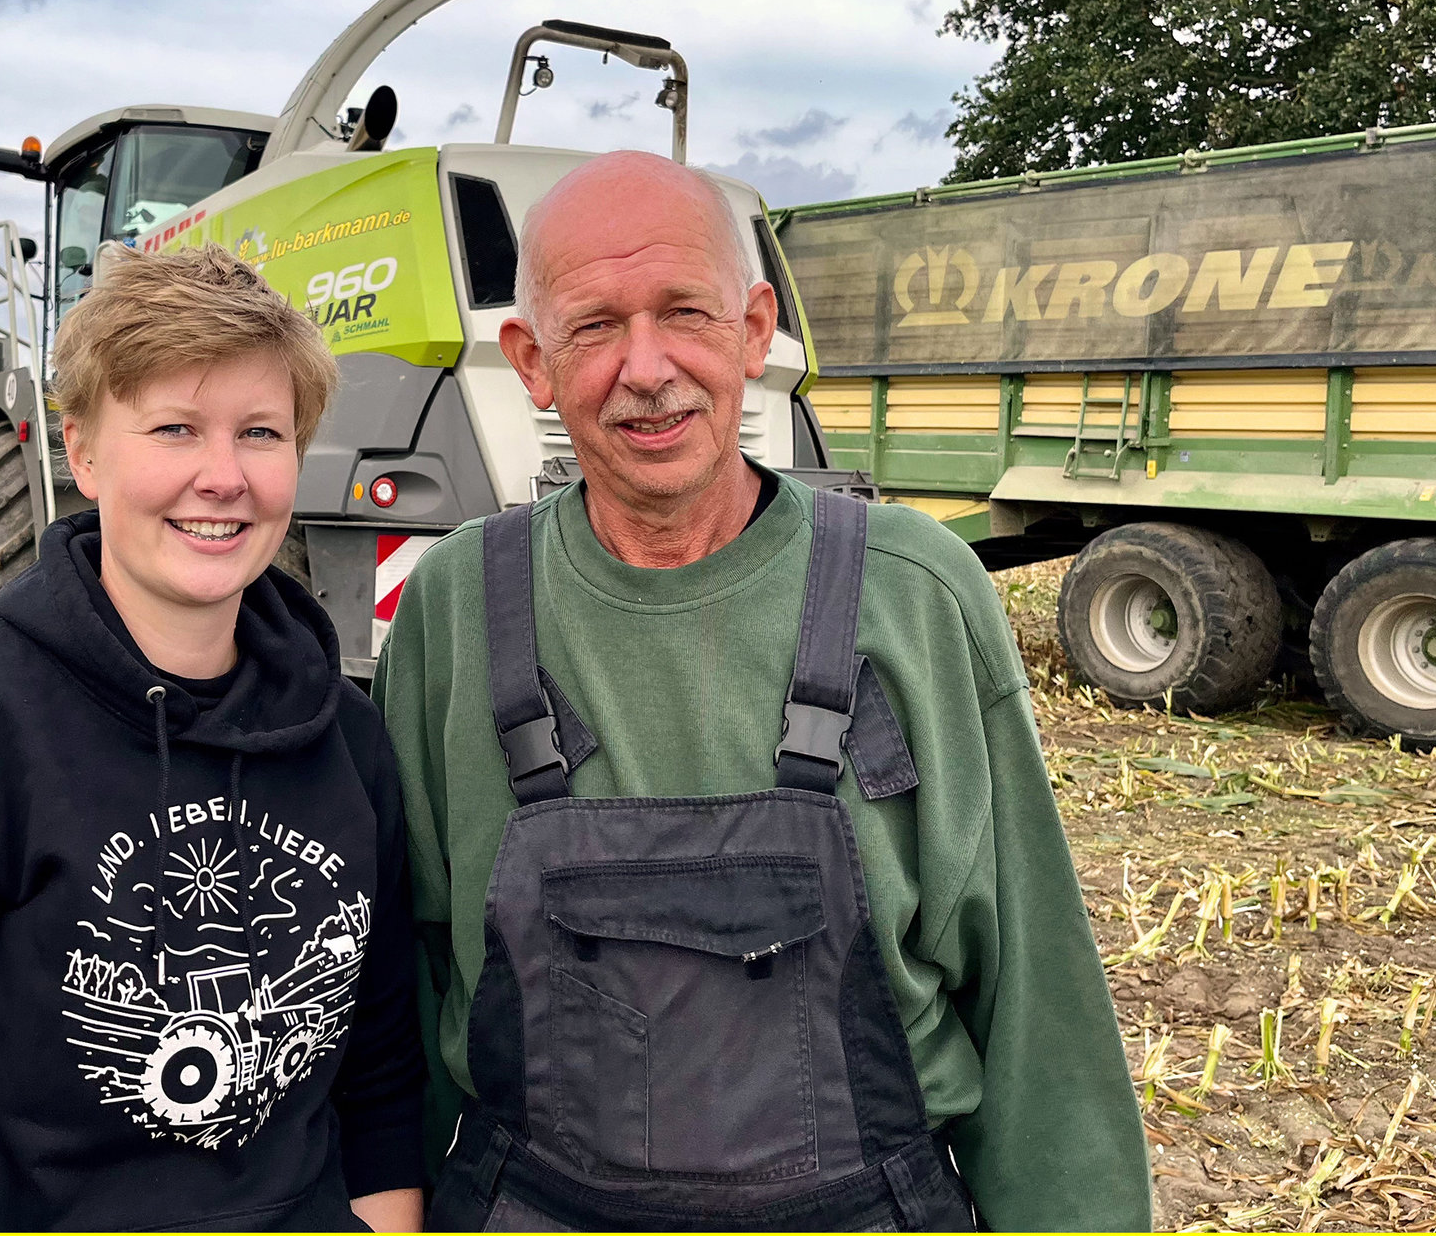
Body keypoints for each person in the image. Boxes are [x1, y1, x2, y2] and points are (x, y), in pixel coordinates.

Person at [373, 151, 1149, 1232]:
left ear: (751, 330)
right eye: (594, 327)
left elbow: (1033, 999)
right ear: (531, 363)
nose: (646, 368)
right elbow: (395, 997)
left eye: (683, 313)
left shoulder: (911, 592)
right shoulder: (455, 604)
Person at [0, 245, 425, 1231]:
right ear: (83, 452)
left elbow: (379, 1078)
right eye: (174, 428)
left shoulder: (346, 739)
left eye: (260, 433)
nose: (222, 477)